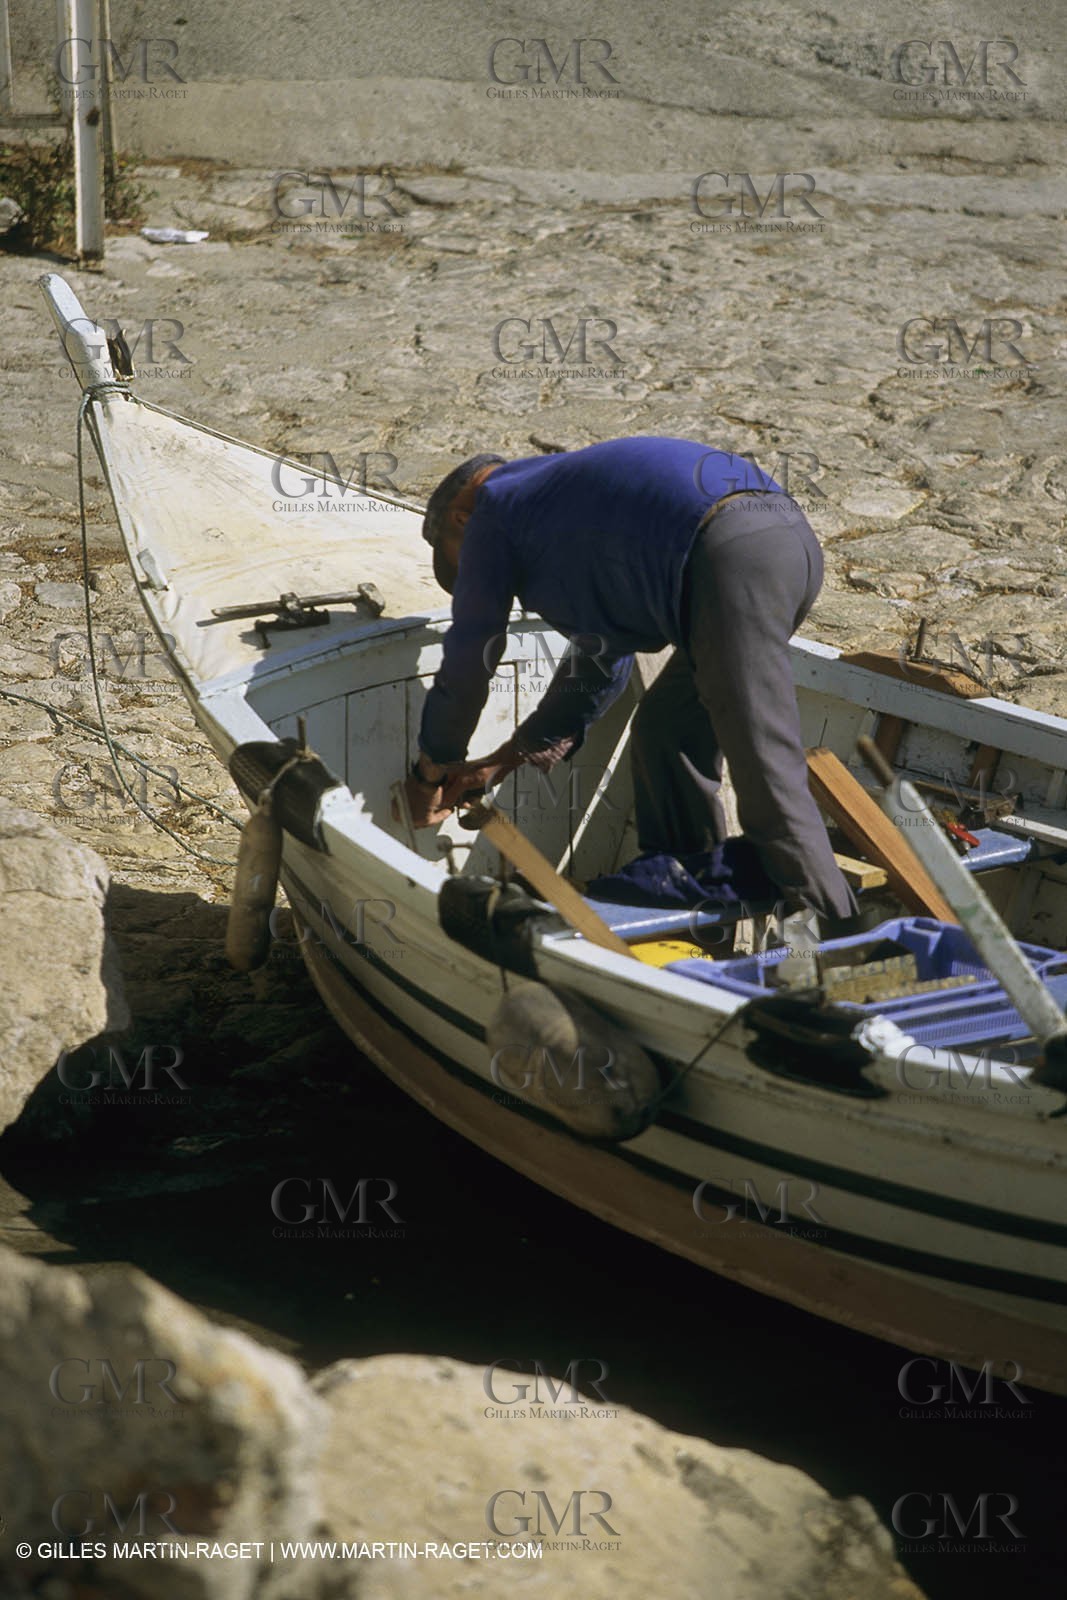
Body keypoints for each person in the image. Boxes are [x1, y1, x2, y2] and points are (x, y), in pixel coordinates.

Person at [396, 437, 855, 921]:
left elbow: (470, 656)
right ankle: (689, 894)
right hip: (787, 545)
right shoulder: (552, 500)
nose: (473, 575)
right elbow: (603, 658)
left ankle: (839, 935)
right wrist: (505, 759)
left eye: (460, 563)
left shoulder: (492, 510)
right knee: (667, 728)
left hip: (731, 558)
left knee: (765, 766)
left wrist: (432, 768)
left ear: (460, 521)